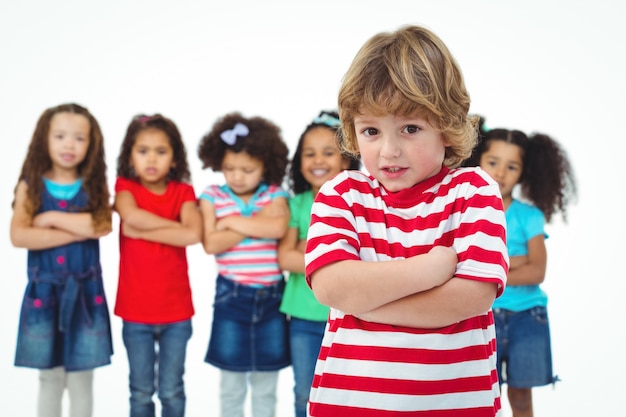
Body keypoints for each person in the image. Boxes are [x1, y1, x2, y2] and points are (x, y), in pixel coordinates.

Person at [304, 25, 509, 416]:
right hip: (349, 406)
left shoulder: (473, 191)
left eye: (410, 128)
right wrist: (428, 269)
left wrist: (363, 302)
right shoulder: (341, 194)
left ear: (446, 128)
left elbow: (469, 298)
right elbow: (332, 287)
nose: (389, 150)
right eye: (371, 131)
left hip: (454, 407)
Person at [463, 123, 576, 417]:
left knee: (521, 397)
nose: (500, 173)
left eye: (511, 166)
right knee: (484, 396)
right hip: (481, 317)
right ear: (477, 161)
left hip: (527, 316)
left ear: (524, 172)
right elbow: (460, 263)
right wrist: (517, 261)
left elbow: (537, 271)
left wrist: (491, 270)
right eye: (493, 163)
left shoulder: (529, 216)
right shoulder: (467, 212)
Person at [10, 103, 113, 417]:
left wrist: (51, 218)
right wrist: (80, 229)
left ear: (91, 144)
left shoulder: (94, 185)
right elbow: (20, 236)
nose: (69, 145)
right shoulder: (30, 186)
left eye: (79, 138)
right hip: (44, 296)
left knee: (82, 378)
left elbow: (103, 225)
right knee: (50, 376)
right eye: (60, 136)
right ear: (44, 139)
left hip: (86, 296)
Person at [197, 112, 290, 417]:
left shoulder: (276, 193)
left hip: (272, 299)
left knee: (265, 386)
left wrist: (232, 222)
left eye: (247, 169)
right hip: (231, 298)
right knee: (232, 386)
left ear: (265, 165)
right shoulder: (211, 196)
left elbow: (277, 229)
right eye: (229, 169)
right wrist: (255, 222)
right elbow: (211, 243)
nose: (237, 176)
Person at [113, 114, 201, 417]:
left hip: (176, 313)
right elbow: (131, 218)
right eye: (143, 150)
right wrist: (169, 230)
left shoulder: (183, 192)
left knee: (172, 390)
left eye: (161, 151)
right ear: (129, 156)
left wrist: (141, 229)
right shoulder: (125, 187)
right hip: (135, 312)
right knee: (140, 392)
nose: (152, 158)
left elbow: (192, 233)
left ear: (174, 158)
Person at [277, 110, 360, 417]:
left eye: (328, 152)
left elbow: (357, 264)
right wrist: (333, 261)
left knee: (347, 394)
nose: (318, 160)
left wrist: (305, 247)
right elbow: (284, 256)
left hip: (348, 318)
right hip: (302, 319)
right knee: (304, 393)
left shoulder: (357, 203)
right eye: (309, 154)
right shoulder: (297, 204)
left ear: (347, 160)